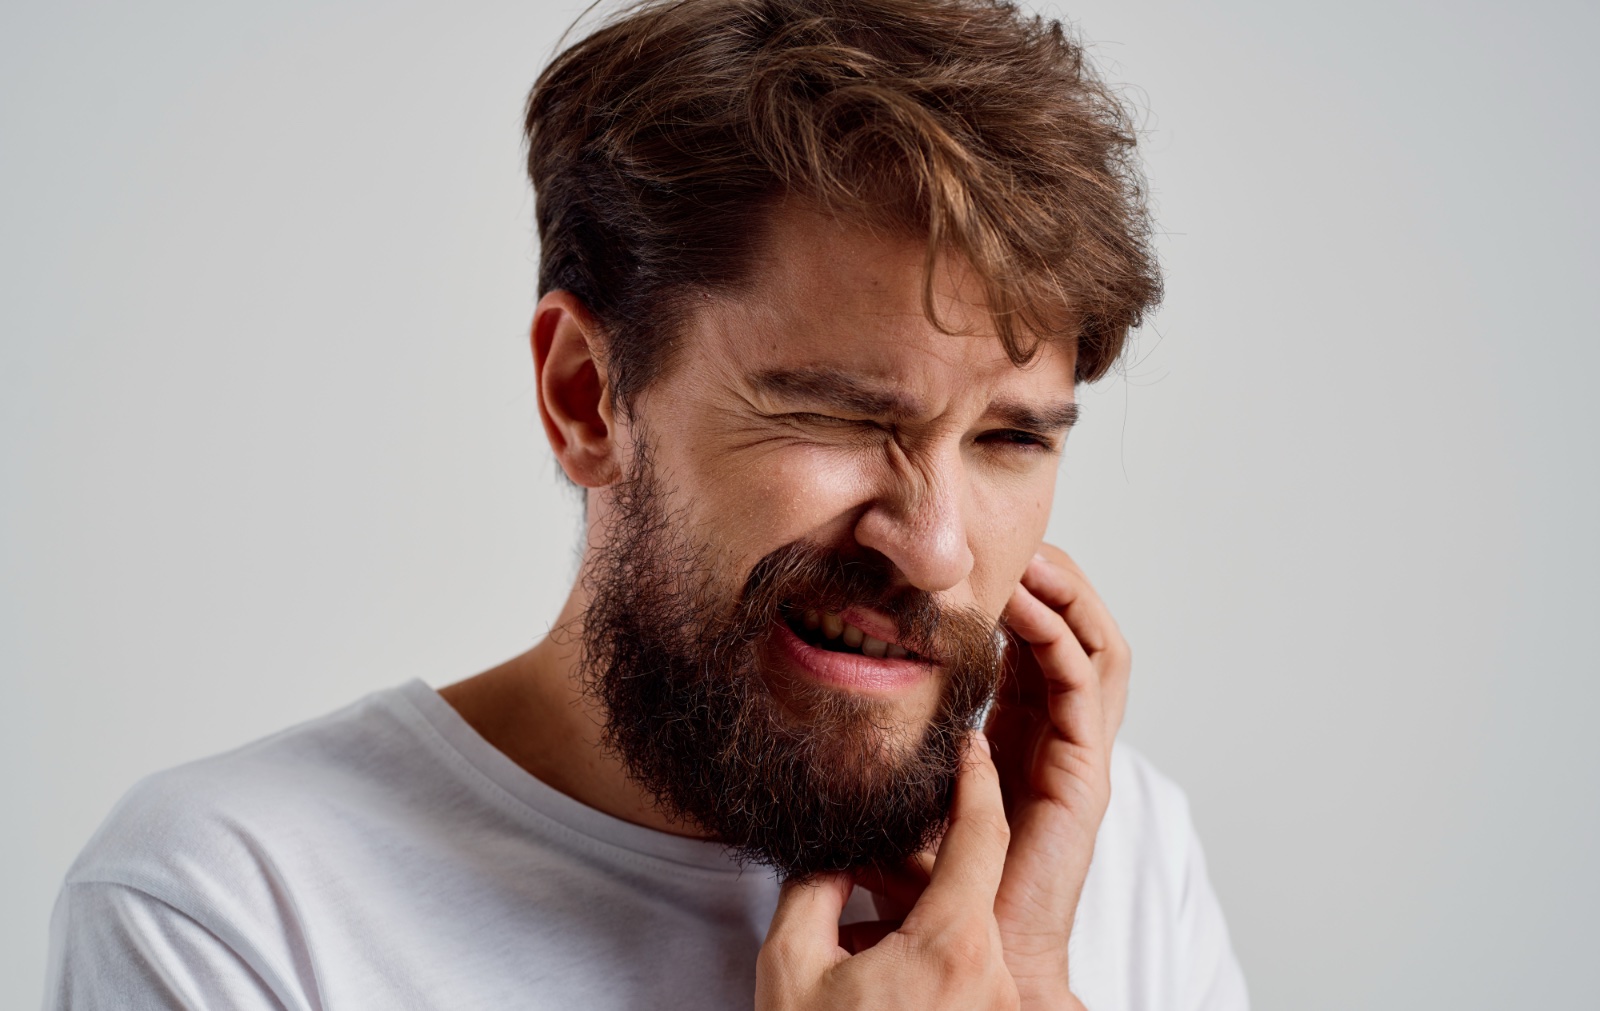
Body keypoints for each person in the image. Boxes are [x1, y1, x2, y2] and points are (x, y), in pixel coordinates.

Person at [43, 1, 1248, 1008]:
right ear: (586, 397)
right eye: (835, 417)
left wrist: (1036, 980)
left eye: (1006, 440)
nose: (933, 549)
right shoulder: (231, 906)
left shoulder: (1112, 853)